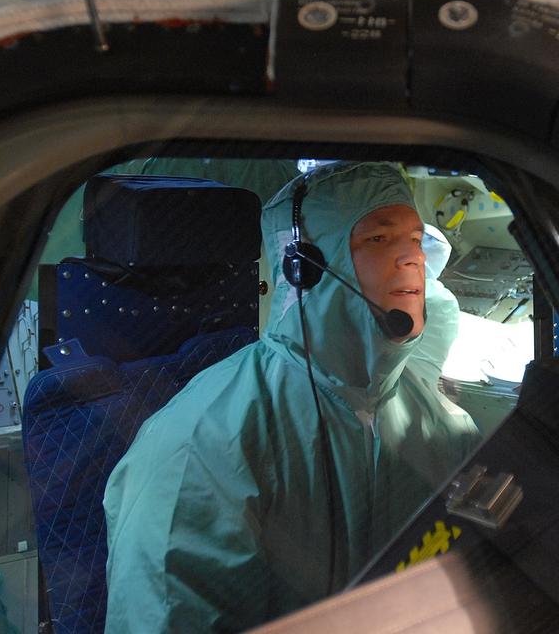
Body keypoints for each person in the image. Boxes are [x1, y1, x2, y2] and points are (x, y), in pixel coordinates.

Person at [102, 162, 480, 632]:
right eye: (378, 240)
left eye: (414, 239)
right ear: (307, 268)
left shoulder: (444, 426)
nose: (411, 259)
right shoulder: (200, 447)